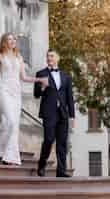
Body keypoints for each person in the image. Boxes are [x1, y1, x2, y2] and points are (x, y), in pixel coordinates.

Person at [0, 33, 48, 165]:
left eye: (14, 39)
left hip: (16, 93)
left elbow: (24, 77)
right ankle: (3, 150)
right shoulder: (0, 56)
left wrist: (39, 79)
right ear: (4, 42)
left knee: (13, 124)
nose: (12, 41)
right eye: (9, 39)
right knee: (11, 122)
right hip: (4, 90)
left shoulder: (19, 57)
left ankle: (7, 155)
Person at [34, 49, 75, 177]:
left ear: (57, 58)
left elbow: (70, 97)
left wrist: (72, 116)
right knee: (49, 139)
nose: (49, 58)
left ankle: (61, 171)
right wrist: (42, 87)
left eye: (51, 56)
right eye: (47, 56)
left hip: (63, 113)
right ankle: (41, 164)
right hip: (49, 112)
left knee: (62, 142)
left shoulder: (66, 76)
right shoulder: (41, 73)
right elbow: (36, 95)